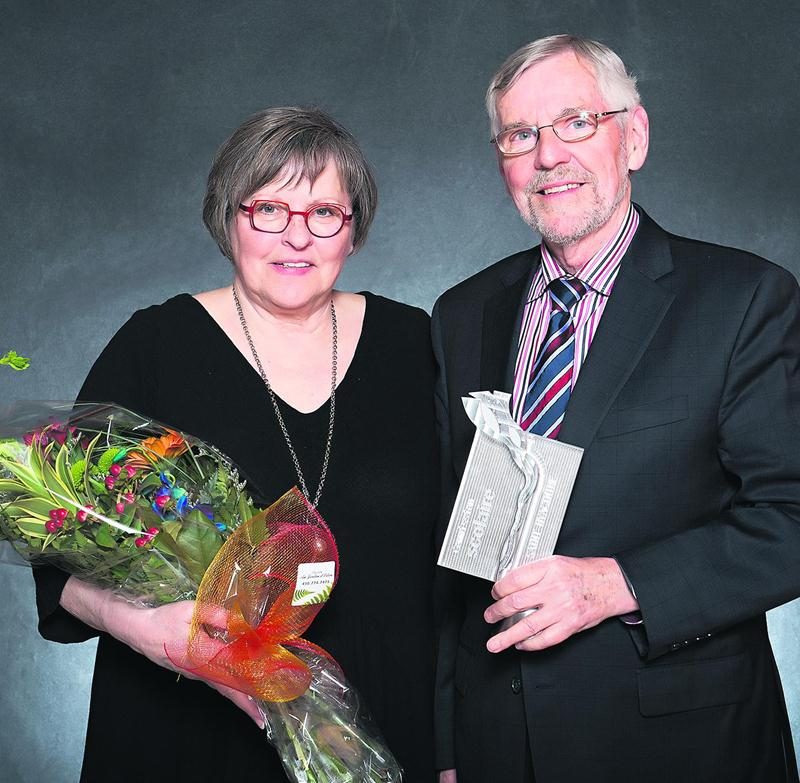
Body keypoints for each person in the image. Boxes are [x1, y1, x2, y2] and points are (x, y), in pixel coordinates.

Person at [433, 34, 800, 783]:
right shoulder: (463, 313)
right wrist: (446, 747)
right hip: (497, 744)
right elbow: (450, 555)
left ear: (632, 137)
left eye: (575, 122)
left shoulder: (744, 300)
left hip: (681, 746)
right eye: (520, 134)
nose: (547, 155)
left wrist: (617, 584)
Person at [33, 106, 438, 781]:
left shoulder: (416, 343)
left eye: (324, 213)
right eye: (268, 209)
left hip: (382, 734)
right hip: (185, 734)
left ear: (354, 228)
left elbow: (457, 574)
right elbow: (56, 554)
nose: (296, 237)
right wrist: (148, 631)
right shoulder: (154, 347)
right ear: (229, 217)